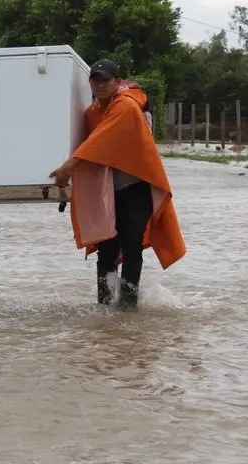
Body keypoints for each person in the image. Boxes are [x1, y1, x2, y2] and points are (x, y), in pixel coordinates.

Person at [50, 59, 186, 309]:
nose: (100, 85)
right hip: (110, 191)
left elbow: (100, 141)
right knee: (107, 247)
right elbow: (80, 142)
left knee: (132, 242)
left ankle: (128, 305)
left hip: (137, 187)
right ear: (90, 82)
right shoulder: (92, 112)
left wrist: (69, 167)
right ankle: (104, 305)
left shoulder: (126, 106)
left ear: (117, 81)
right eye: (95, 80)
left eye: (106, 80)